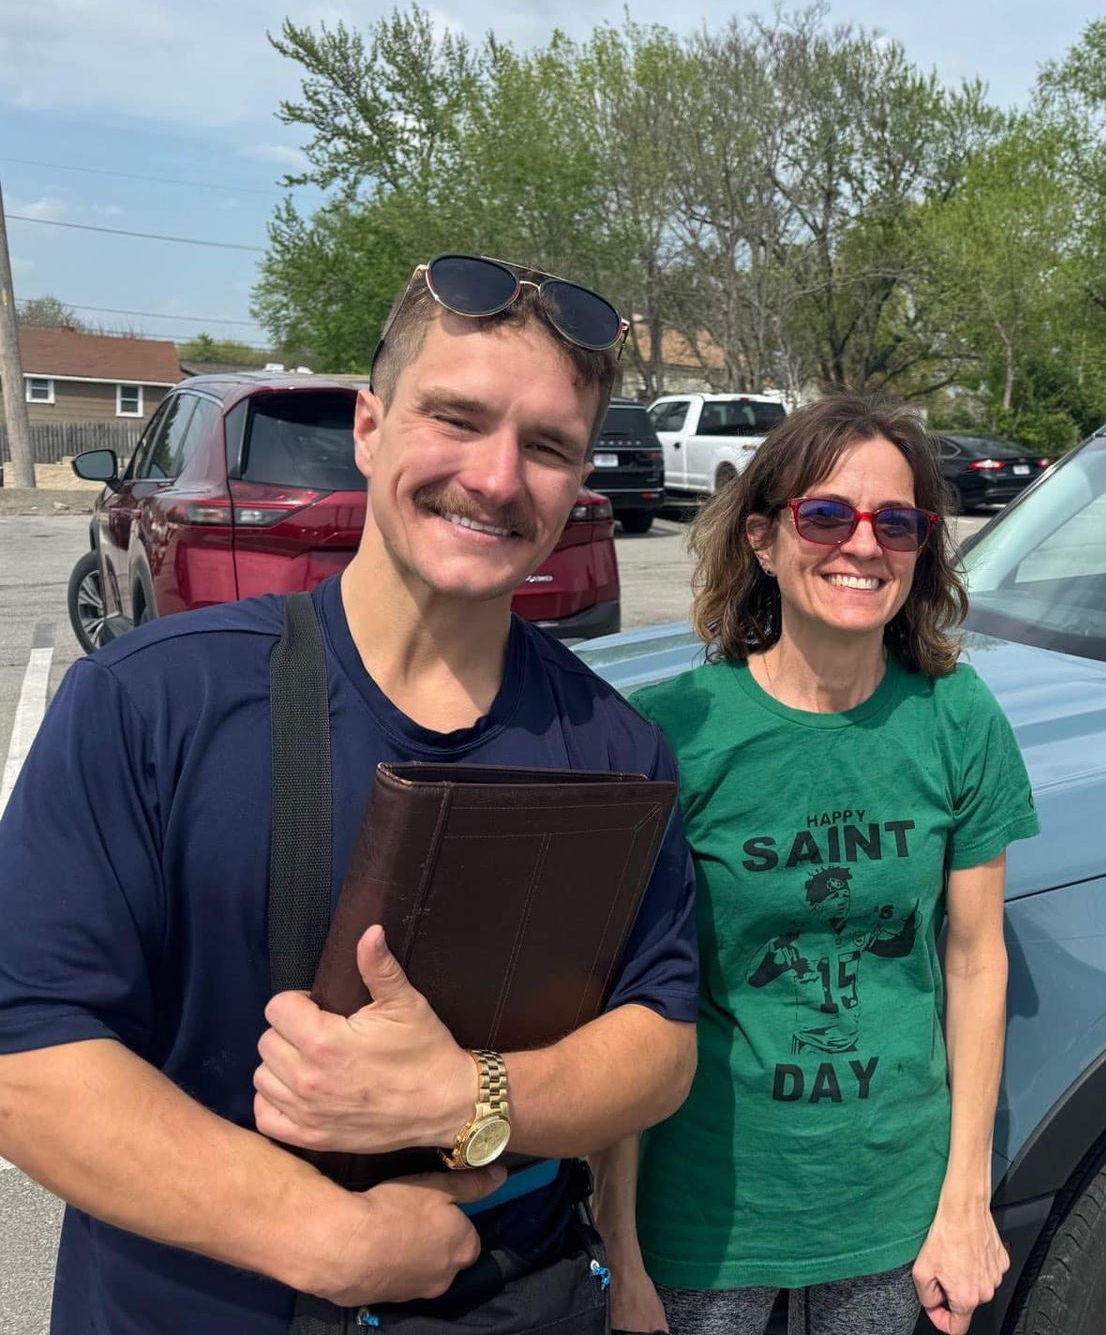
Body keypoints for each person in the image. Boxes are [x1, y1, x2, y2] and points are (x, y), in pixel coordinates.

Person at [0, 253, 699, 1332]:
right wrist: (316, 1232)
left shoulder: (616, 751)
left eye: (548, 446)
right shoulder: (147, 706)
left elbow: (657, 1043)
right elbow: (27, 1051)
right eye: (457, 419)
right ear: (368, 428)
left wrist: (469, 1096)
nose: (498, 478)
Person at [599, 394, 1039, 1335]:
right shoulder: (677, 733)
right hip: (709, 1203)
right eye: (827, 515)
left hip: (888, 1193)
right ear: (763, 539)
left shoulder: (959, 720)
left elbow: (974, 961)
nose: (863, 546)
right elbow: (630, 998)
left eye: (898, 522)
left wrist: (966, 1200)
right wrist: (621, 1249)